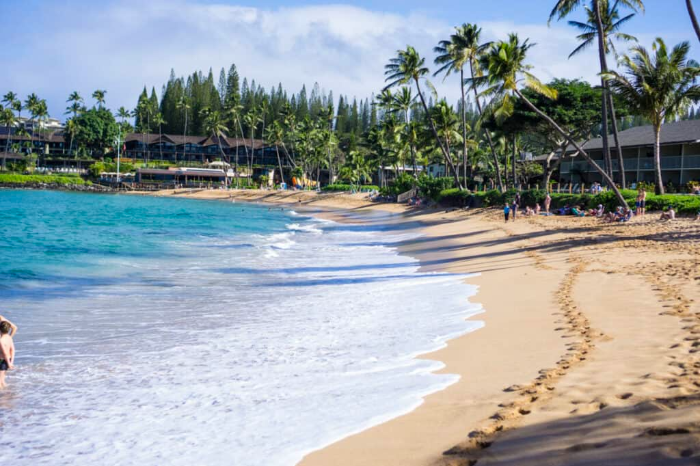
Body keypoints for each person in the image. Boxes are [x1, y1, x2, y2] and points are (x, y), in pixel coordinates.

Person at [0, 321, 15, 389]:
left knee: (0, 381)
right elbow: (12, 350)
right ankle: (7, 393)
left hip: (2, 361)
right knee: (2, 380)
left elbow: (4, 353)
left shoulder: (1, 340)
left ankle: (3, 398)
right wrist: (11, 362)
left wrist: (9, 363)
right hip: (8, 360)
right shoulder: (9, 338)